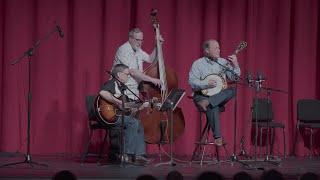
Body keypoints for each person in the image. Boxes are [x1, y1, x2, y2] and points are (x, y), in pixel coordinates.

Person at [188, 39, 241, 146]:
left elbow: (235, 78)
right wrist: (206, 84)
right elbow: (192, 82)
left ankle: (209, 102)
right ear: (207, 50)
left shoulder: (223, 62)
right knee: (214, 106)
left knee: (232, 90)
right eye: (216, 48)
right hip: (201, 96)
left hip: (218, 96)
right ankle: (218, 137)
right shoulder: (198, 64)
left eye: (219, 48)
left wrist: (235, 65)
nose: (219, 50)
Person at [99, 64, 150, 165]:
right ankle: (127, 154)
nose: (128, 76)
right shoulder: (112, 83)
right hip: (109, 116)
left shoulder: (121, 88)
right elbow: (102, 93)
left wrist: (141, 106)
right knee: (133, 122)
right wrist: (117, 102)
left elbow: (128, 106)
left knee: (138, 123)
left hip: (117, 115)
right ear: (118, 74)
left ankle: (139, 155)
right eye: (127, 74)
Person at [113, 27, 162, 100]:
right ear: (130, 38)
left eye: (141, 40)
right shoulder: (124, 50)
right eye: (137, 40)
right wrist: (152, 80)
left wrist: (157, 46)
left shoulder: (138, 50)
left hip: (133, 90)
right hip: (121, 90)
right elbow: (133, 72)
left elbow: (150, 59)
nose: (140, 43)